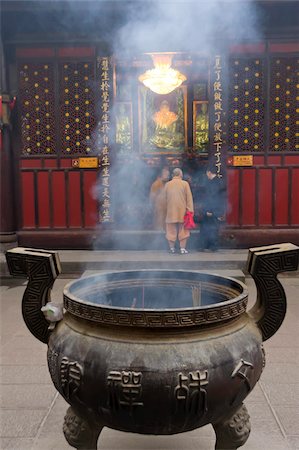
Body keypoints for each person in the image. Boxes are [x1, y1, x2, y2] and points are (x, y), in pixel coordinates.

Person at [164, 168, 194, 254]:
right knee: (183, 230)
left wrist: (166, 210)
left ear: (173, 175)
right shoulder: (185, 184)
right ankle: (182, 249)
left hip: (170, 211)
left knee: (170, 230)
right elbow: (189, 199)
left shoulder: (167, 184)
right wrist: (190, 210)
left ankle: (172, 248)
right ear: (181, 174)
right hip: (183, 212)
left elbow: (164, 199)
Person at [199, 166, 225, 251]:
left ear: (209, 172)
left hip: (211, 209)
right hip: (216, 209)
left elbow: (211, 197)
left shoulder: (213, 183)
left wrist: (209, 210)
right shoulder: (220, 182)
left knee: (208, 228)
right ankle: (212, 246)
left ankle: (207, 246)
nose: (206, 175)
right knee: (213, 228)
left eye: (207, 173)